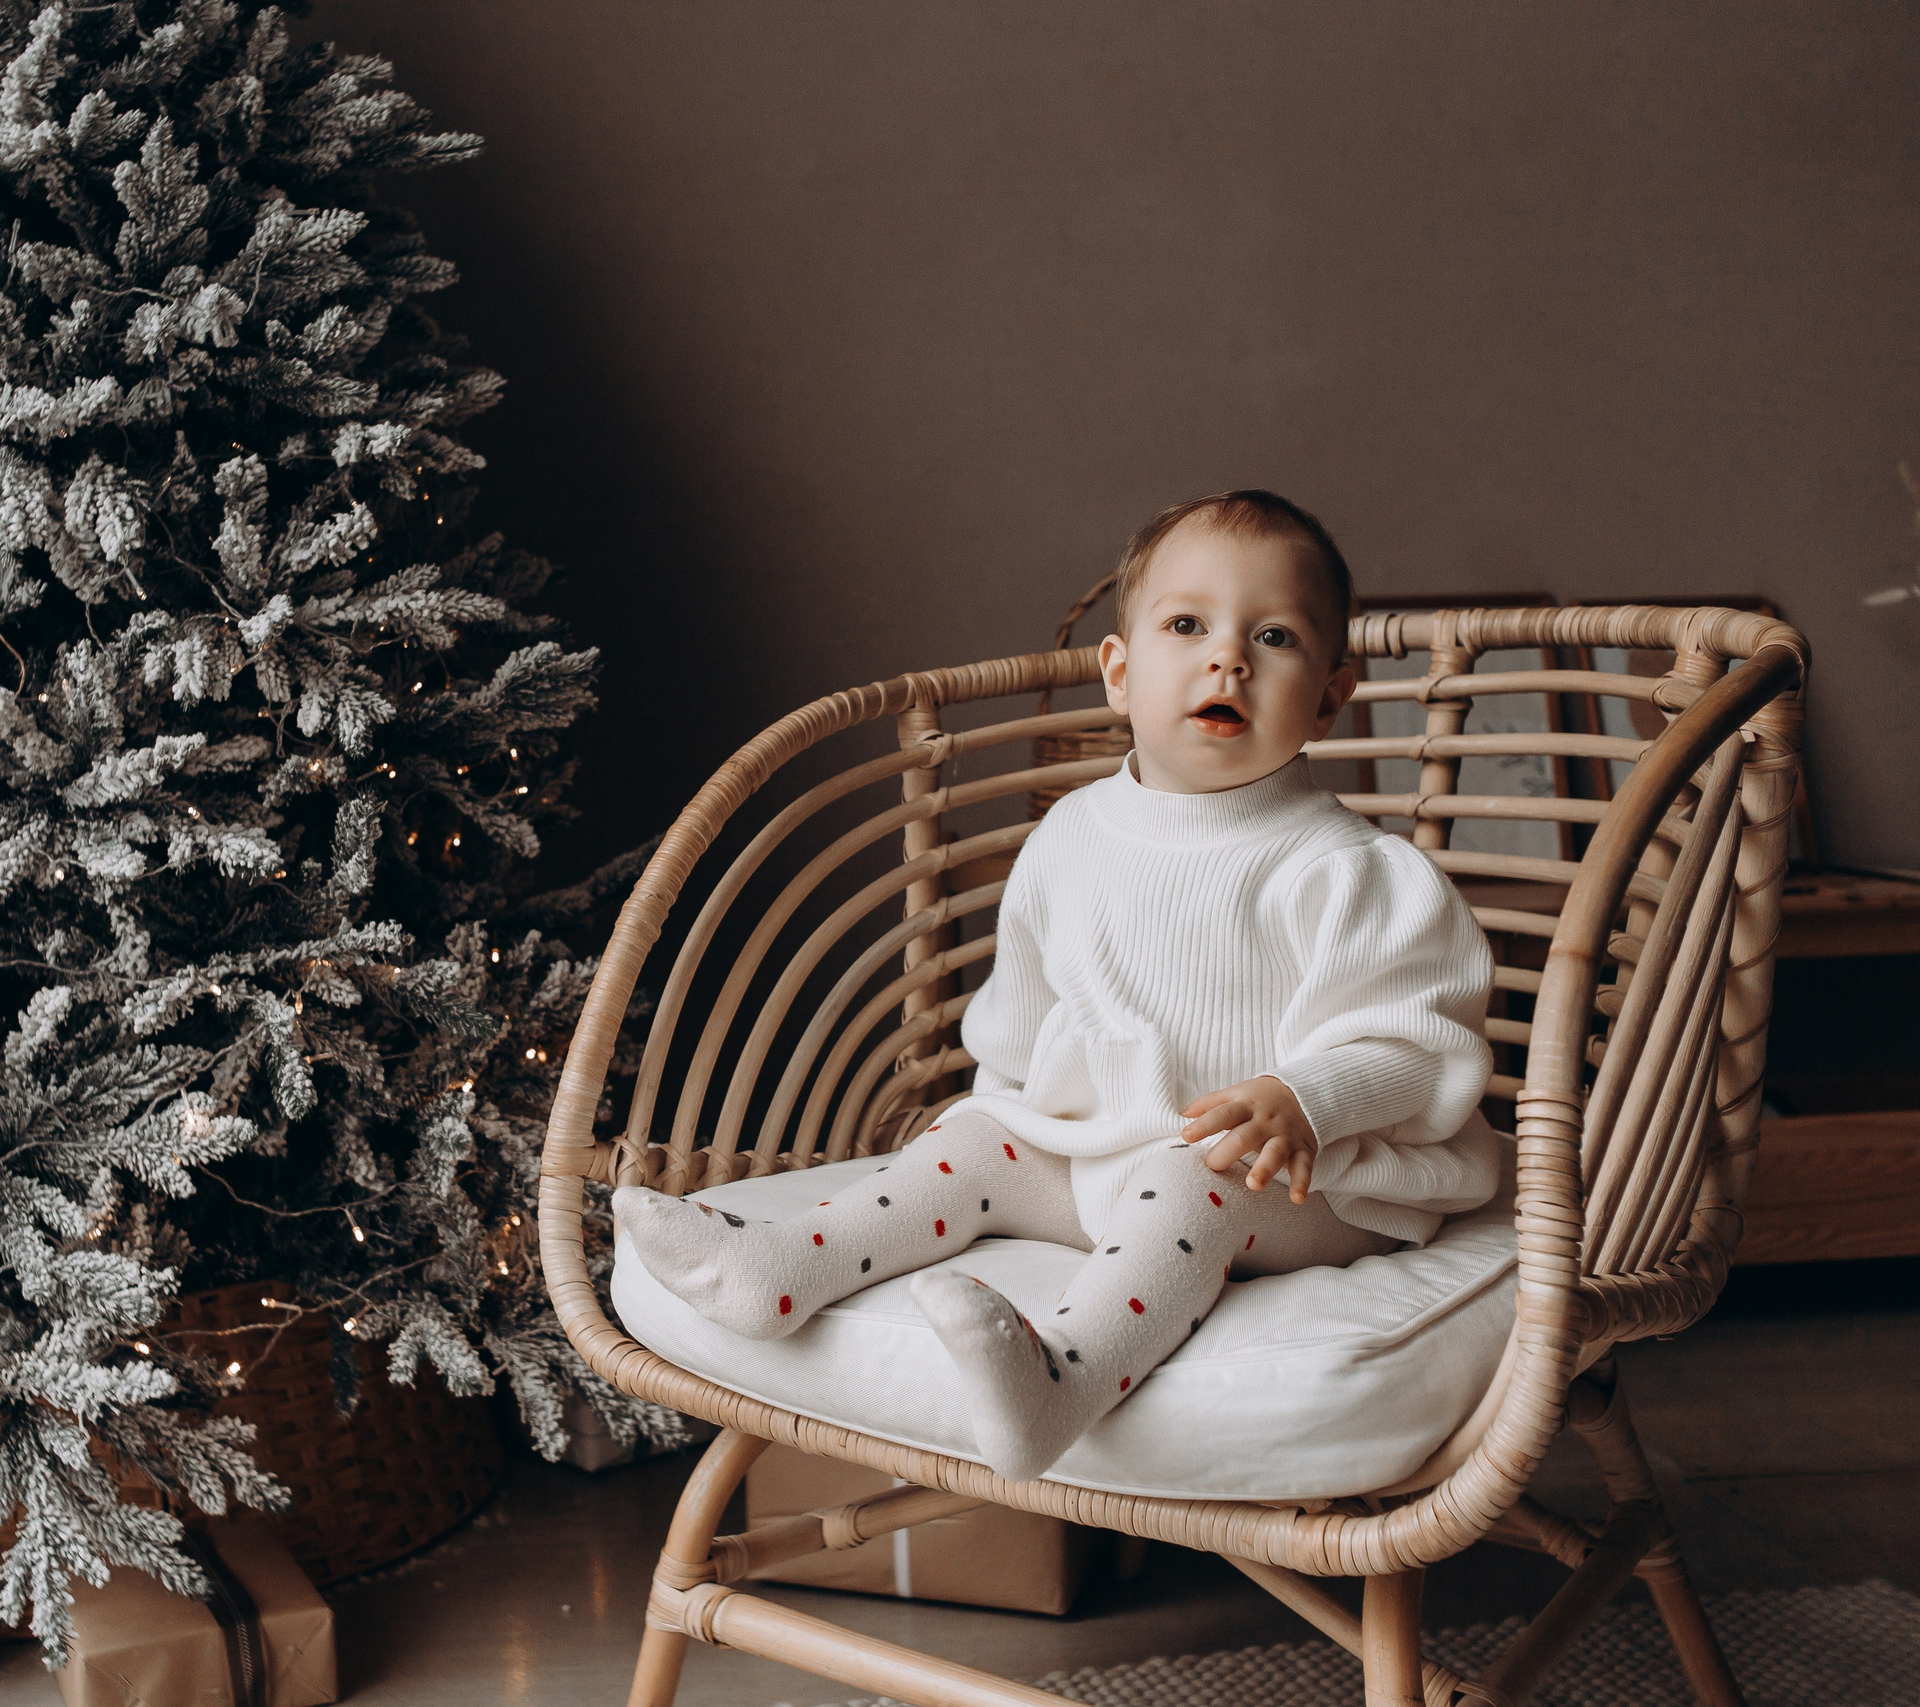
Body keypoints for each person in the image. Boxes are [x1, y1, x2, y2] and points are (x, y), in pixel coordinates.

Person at [614, 490, 1502, 1480]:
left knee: (1189, 1173)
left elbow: (1417, 1051)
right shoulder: (1071, 836)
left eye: (1275, 637)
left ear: (1331, 698)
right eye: (1185, 625)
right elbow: (1022, 1022)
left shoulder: (1348, 870)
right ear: (1119, 675)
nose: (1228, 659)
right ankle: (783, 1267)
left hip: (1313, 1183)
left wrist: (1305, 1099)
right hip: (1105, 1149)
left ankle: (1062, 1380)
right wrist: (1001, 1131)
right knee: (976, 1139)